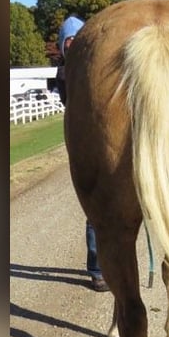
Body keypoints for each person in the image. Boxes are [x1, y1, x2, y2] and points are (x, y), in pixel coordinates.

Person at [57, 16, 109, 292]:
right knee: (94, 211)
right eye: (70, 42)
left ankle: (109, 264)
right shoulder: (65, 73)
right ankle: (97, 269)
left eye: (79, 41)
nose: (75, 46)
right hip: (86, 145)